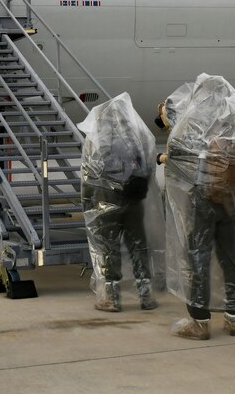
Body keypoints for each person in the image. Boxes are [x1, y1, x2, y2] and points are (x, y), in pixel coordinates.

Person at [161, 74, 235, 340]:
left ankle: (199, 322)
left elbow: (177, 157)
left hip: (202, 198)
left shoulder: (194, 120)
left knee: (198, 257)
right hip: (231, 199)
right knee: (232, 257)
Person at [78, 93, 160, 312]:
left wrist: (87, 200)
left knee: (108, 247)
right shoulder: (136, 135)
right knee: (138, 245)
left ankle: (111, 298)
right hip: (133, 198)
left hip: (106, 199)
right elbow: (149, 163)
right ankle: (145, 296)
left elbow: (89, 171)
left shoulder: (97, 137)